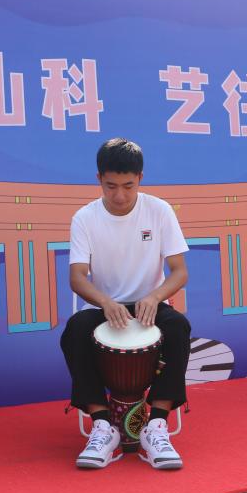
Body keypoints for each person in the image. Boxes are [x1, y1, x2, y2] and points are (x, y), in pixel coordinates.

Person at [59, 137, 191, 470]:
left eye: (128, 186)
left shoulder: (159, 210)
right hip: (105, 308)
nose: (119, 196)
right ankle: (102, 426)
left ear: (140, 178)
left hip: (149, 306)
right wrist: (105, 302)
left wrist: (155, 296)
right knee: (75, 329)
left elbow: (179, 271)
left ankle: (156, 425)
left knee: (178, 327)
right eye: (111, 186)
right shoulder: (85, 218)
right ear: (99, 179)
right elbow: (77, 277)